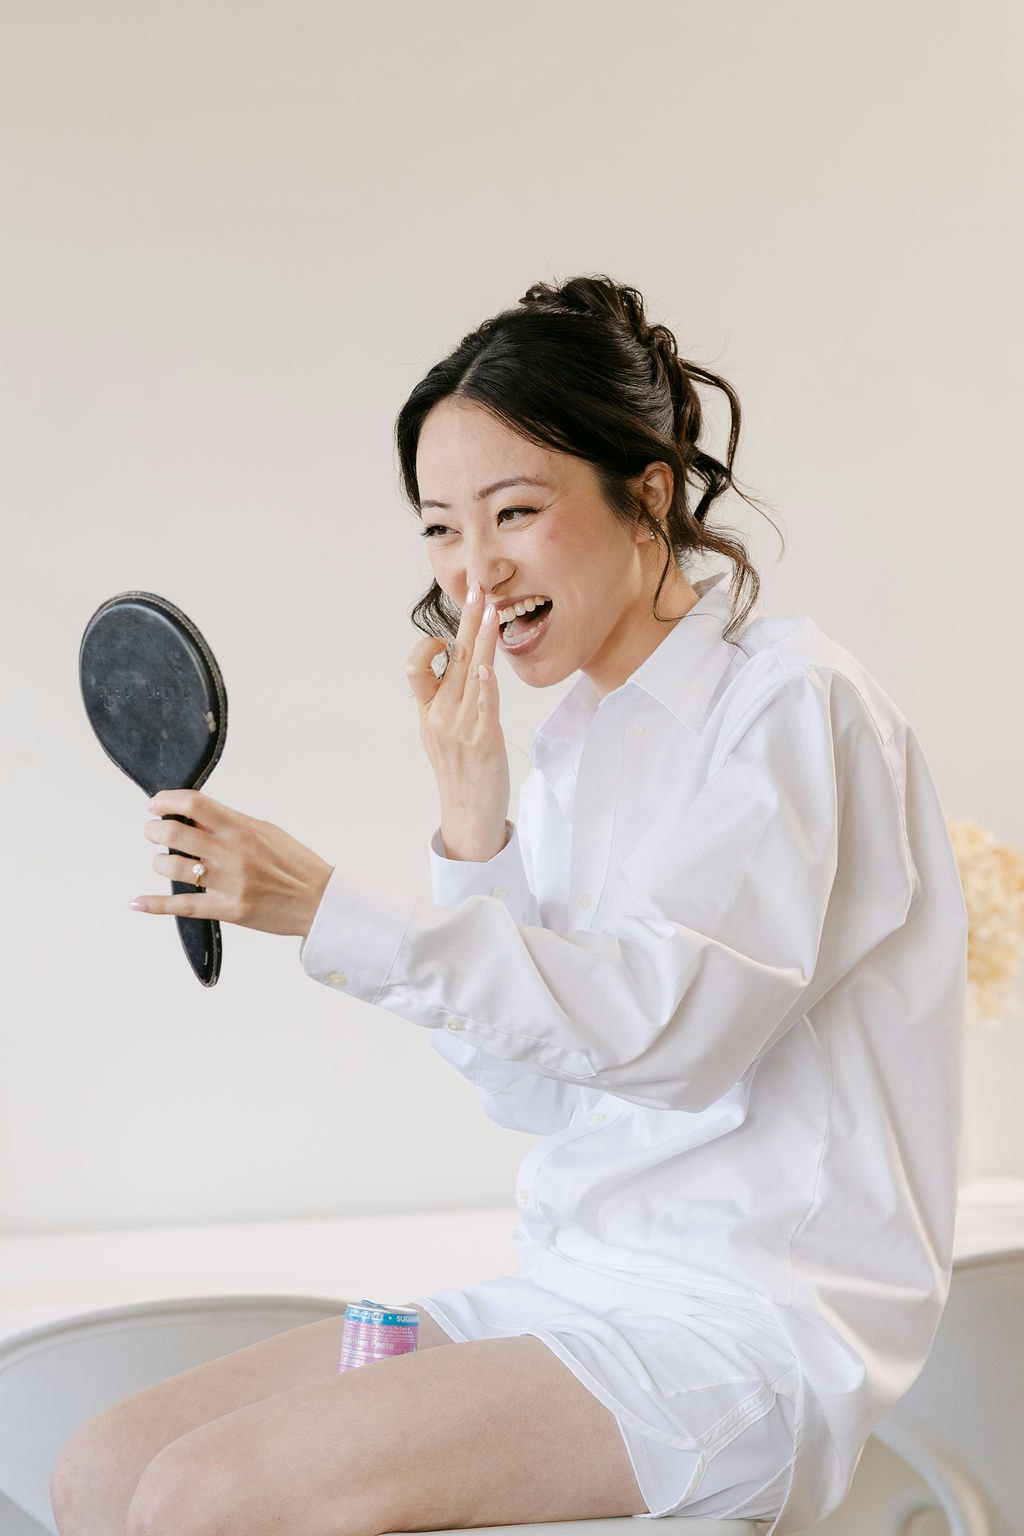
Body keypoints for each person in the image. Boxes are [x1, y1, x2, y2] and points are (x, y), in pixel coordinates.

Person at [53, 274, 968, 1536]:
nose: (474, 571)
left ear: (649, 494)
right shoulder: (576, 748)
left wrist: (325, 908)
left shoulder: (790, 705)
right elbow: (532, 1094)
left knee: (204, 1497)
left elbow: (673, 1039)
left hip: (735, 1335)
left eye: (516, 512)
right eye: (440, 527)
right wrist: (471, 819)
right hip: (567, 1292)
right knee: (103, 1470)